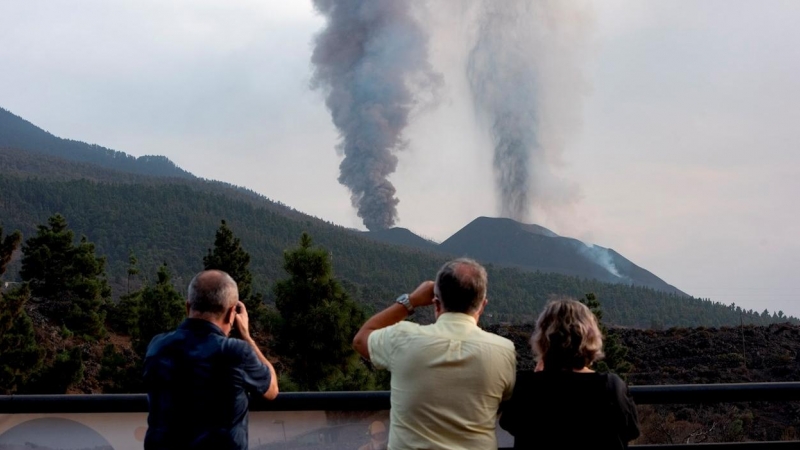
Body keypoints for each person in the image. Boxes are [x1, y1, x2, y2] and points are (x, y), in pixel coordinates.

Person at [353, 258, 517, 450]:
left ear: (435, 303)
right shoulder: (503, 351)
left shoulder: (402, 338)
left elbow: (360, 340)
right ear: (483, 305)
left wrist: (411, 300)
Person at [143, 270, 279, 450]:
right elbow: (272, 390)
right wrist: (247, 336)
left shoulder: (158, 345)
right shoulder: (234, 352)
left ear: (187, 307)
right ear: (232, 314)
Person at [499, 298, 640, 449]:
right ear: (590, 338)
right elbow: (631, 430)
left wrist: (538, 376)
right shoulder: (611, 387)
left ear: (543, 339)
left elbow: (509, 423)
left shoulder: (526, 386)